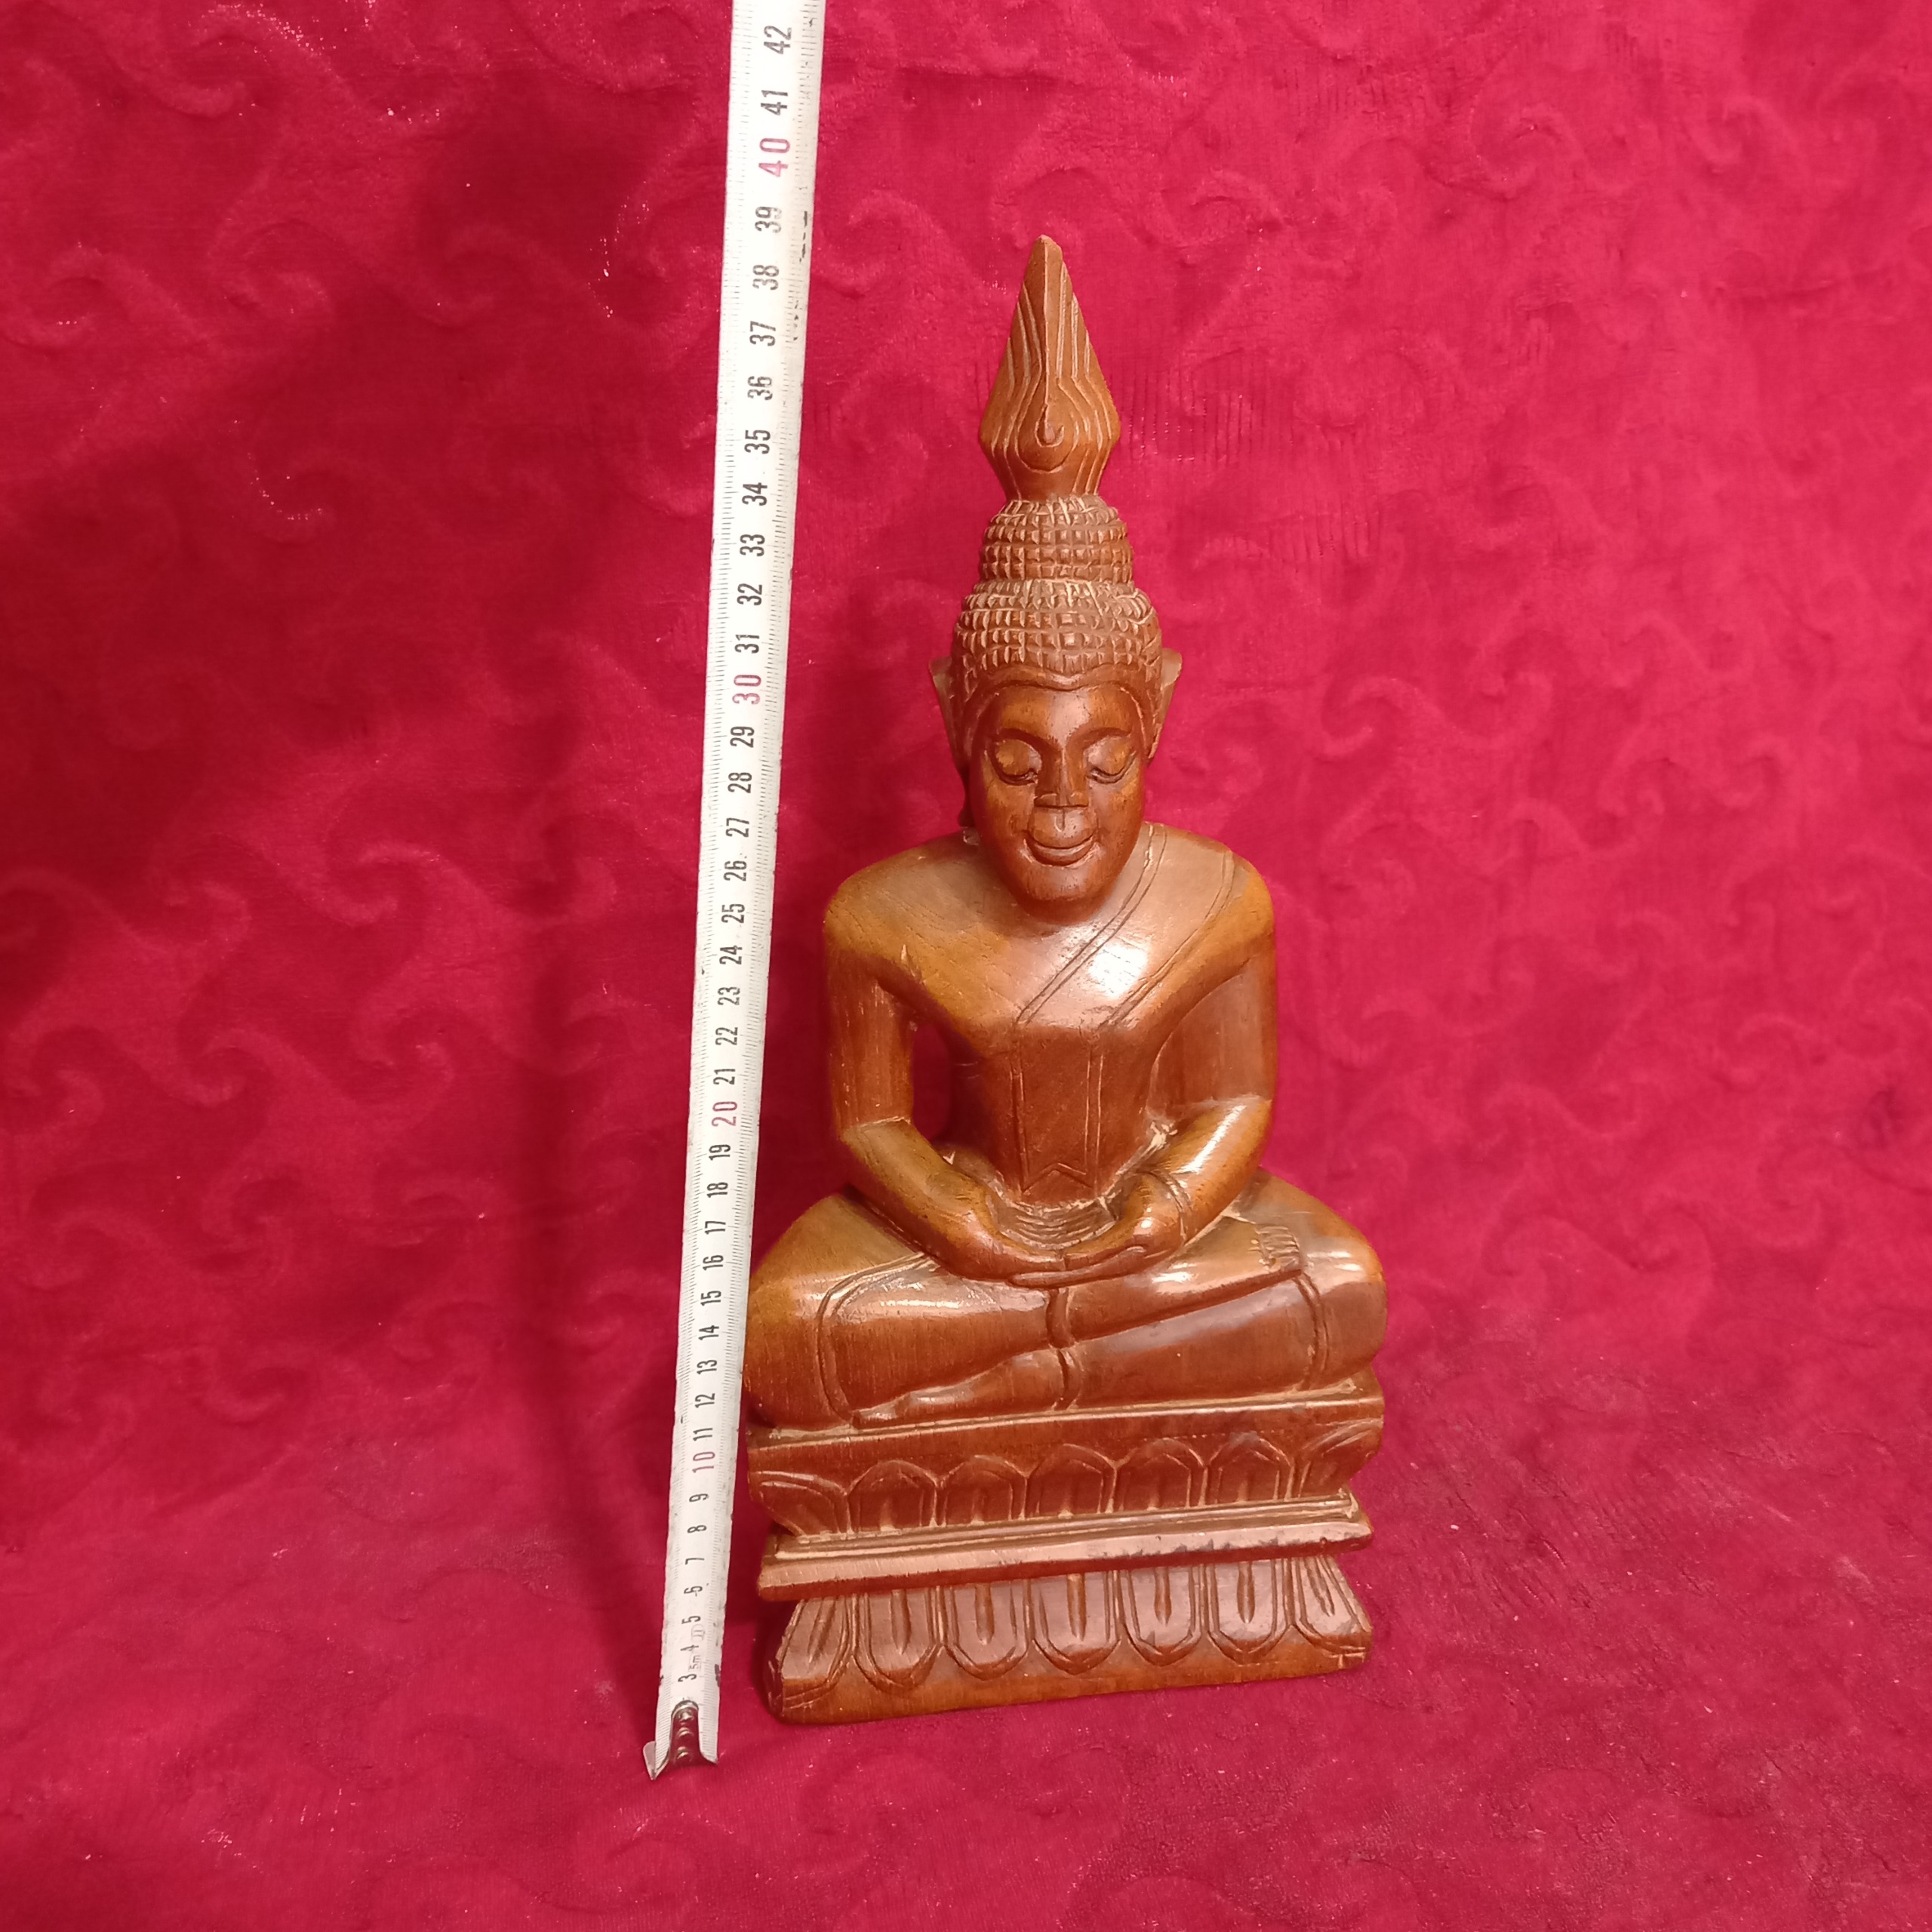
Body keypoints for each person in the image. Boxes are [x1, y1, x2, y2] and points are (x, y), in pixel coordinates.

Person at [745, 239, 1384, 1432]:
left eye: (1104, 763)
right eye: (1016, 763)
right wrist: (955, 1220)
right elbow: (872, 1122)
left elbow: (1233, 1104)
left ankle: (1013, 1389)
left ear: (1157, 723)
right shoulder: (883, 916)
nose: (1062, 809)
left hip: (1156, 1239)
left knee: (1338, 1287)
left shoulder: (1218, 899)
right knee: (788, 1328)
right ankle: (1069, 1380)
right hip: (969, 1234)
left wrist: (1166, 1209)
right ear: (955, 723)